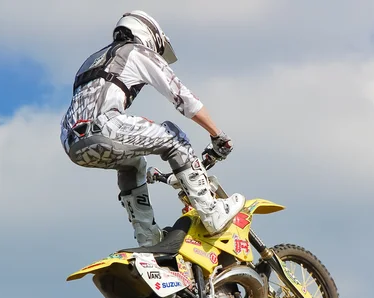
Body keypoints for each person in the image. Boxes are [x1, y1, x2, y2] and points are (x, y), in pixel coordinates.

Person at [60, 10, 245, 247]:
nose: (157, 55)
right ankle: (211, 213)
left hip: (71, 140)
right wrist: (217, 135)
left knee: (134, 163)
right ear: (148, 34)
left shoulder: (92, 60)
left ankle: (147, 236)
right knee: (173, 136)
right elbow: (182, 97)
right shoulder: (137, 51)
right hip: (104, 127)